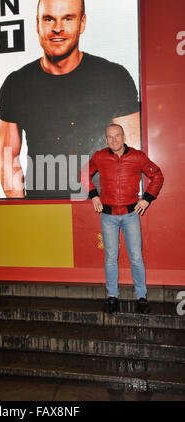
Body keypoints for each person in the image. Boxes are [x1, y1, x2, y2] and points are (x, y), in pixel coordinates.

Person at [0, 0, 140, 199]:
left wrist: (116, 209)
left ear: (82, 23)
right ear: (37, 24)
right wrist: (20, 213)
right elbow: (9, 158)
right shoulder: (16, 83)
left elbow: (132, 154)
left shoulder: (114, 77)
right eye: (49, 19)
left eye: (68, 18)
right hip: (41, 215)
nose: (57, 28)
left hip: (102, 212)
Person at [81, 124, 164, 314]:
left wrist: (147, 199)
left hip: (130, 215)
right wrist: (93, 195)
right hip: (108, 216)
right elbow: (84, 174)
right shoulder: (100, 156)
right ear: (106, 139)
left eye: (117, 136)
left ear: (124, 136)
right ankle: (112, 297)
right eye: (110, 137)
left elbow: (157, 175)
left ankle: (141, 298)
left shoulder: (137, 156)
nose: (114, 140)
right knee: (111, 258)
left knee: (136, 257)